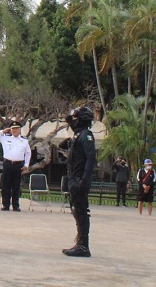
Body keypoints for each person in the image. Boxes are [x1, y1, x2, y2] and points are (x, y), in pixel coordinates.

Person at [61, 106, 96, 257]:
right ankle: (80, 241)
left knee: (81, 211)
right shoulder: (79, 134)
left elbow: (90, 158)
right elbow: (75, 129)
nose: (73, 120)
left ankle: (83, 245)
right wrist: (69, 120)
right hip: (74, 178)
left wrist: (84, 179)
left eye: (76, 117)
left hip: (79, 179)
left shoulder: (87, 136)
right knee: (76, 209)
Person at [0, 120, 30, 212]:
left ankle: (16, 205)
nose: (15, 130)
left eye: (17, 129)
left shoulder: (24, 140)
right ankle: (5, 205)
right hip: (7, 163)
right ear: (10, 130)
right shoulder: (5, 138)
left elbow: (28, 153)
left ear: (20, 130)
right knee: (5, 185)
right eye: (13, 129)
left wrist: (26, 164)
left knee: (16, 186)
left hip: (18, 164)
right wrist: (3, 131)